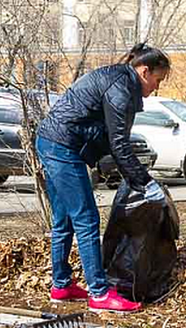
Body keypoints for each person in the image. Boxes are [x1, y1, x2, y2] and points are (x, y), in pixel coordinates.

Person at [35, 44, 171, 313]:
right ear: (144, 71)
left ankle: (61, 286)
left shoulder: (119, 80)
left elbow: (112, 139)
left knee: (63, 220)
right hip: (62, 147)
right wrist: (144, 183)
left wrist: (136, 178)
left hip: (51, 141)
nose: (157, 87)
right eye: (158, 80)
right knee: (86, 218)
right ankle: (99, 293)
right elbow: (119, 143)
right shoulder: (121, 87)